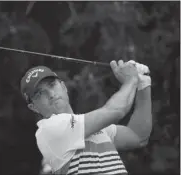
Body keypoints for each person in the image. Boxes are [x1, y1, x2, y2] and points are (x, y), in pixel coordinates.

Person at [20, 60, 152, 175]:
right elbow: (117, 111)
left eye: (52, 85)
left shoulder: (87, 126)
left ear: (63, 87)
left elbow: (138, 136)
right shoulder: (49, 130)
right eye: (39, 94)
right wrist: (131, 80)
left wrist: (143, 84)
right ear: (34, 107)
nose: (51, 94)